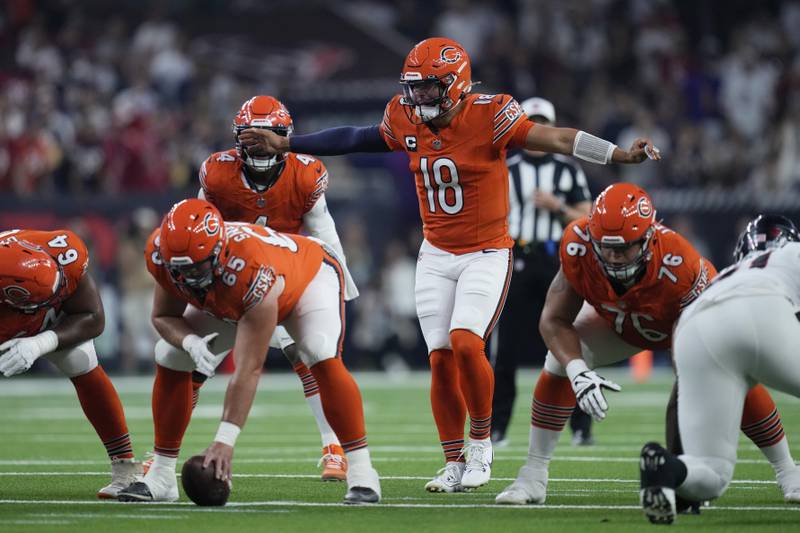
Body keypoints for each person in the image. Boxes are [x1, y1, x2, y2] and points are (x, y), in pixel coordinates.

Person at [237, 37, 659, 492]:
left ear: (455, 84)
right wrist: (288, 143)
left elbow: (556, 138)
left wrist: (618, 154)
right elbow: (356, 137)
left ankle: (481, 446)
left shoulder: (490, 114)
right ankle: (453, 460)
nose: (417, 98)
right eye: (413, 88)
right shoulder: (403, 117)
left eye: (428, 88)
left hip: (487, 251)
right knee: (439, 359)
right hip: (436, 253)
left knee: (465, 342)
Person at [495, 186, 800, 505]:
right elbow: (554, 319)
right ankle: (532, 476)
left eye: (624, 248)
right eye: (606, 248)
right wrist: (577, 371)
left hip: (683, 327)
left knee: (731, 368)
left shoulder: (681, 265)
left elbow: (713, 344)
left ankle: (786, 468)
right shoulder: (578, 243)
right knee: (560, 360)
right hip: (616, 323)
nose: (613, 257)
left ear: (649, 237)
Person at [118, 199, 380, 504]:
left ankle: (362, 471)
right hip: (229, 295)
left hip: (308, 277)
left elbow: (249, 367)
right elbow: (163, 316)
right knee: (170, 353)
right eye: (181, 269)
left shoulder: (249, 268)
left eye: (196, 267)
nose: (188, 278)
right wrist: (190, 342)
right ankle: (161, 474)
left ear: (218, 253)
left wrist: (224, 442)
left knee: (317, 350)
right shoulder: (166, 254)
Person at [189, 94, 357, 481]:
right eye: (252, 135)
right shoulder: (217, 173)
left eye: (271, 134)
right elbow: (198, 227)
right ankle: (162, 455)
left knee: (312, 357)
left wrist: (340, 281)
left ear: (285, 137)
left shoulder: (306, 173)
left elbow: (323, 231)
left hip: (289, 277)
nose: (261, 143)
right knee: (190, 361)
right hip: (234, 278)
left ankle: (335, 447)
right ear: (237, 138)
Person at [640, 214, 800, 524]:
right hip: (761, 306)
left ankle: (667, 469)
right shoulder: (791, 256)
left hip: (694, 325)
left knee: (712, 473)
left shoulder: (729, 272)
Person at [0, 229, 140, 498]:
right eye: (38, 302)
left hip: (48, 322)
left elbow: (94, 317)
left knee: (81, 358)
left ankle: (125, 468)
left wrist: (40, 343)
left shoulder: (64, 254)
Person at [490, 96, 592, 448]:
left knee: (571, 338)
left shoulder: (567, 170)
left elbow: (588, 216)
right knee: (505, 349)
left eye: (541, 122)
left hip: (555, 261)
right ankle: (497, 427)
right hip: (515, 258)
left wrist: (557, 206)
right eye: (530, 122)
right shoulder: (504, 167)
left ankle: (581, 426)